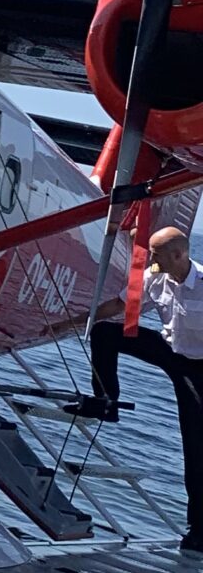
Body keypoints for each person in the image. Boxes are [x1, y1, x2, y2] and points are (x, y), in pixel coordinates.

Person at [78, 223, 203, 550]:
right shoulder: (155, 277)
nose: (152, 260)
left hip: (201, 370)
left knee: (196, 449)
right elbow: (120, 306)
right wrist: (79, 320)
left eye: (157, 255)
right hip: (173, 352)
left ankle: (199, 531)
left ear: (178, 255)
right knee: (104, 332)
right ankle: (106, 399)